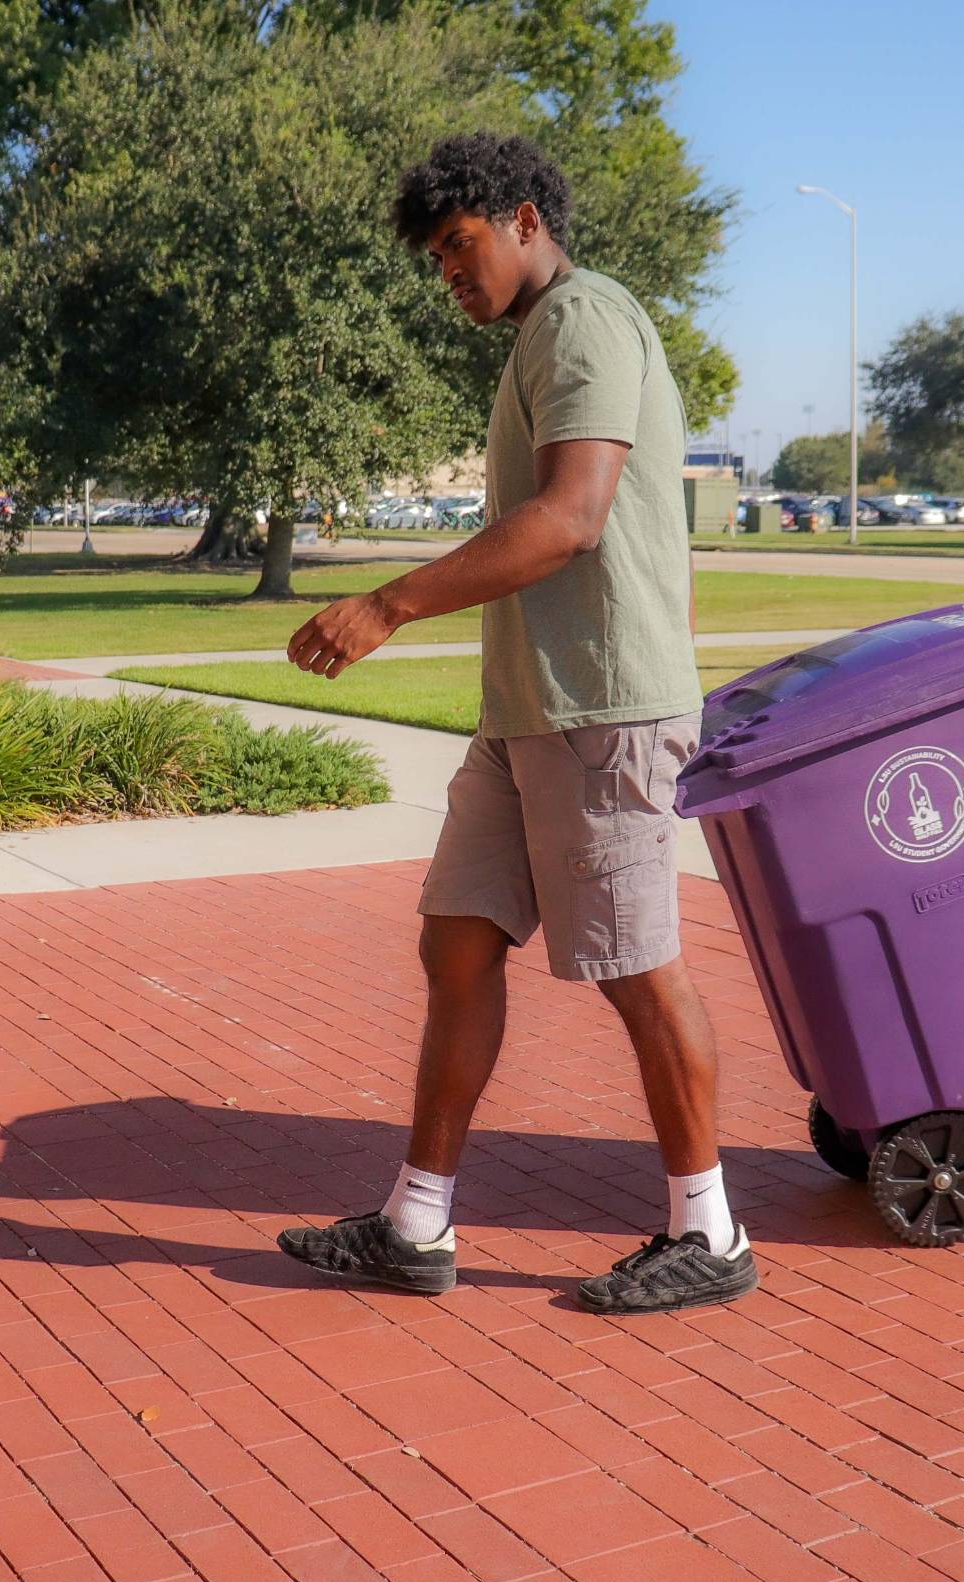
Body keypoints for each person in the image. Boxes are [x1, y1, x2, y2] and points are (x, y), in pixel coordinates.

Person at [275, 132, 752, 1316]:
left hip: (600, 710)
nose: (448, 272)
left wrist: (387, 601)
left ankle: (712, 1230)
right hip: (530, 710)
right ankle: (413, 1222)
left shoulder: (584, 319)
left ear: (526, 219)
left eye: (459, 244)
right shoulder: (541, 337)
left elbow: (572, 517)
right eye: (436, 256)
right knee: (456, 941)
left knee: (636, 972)